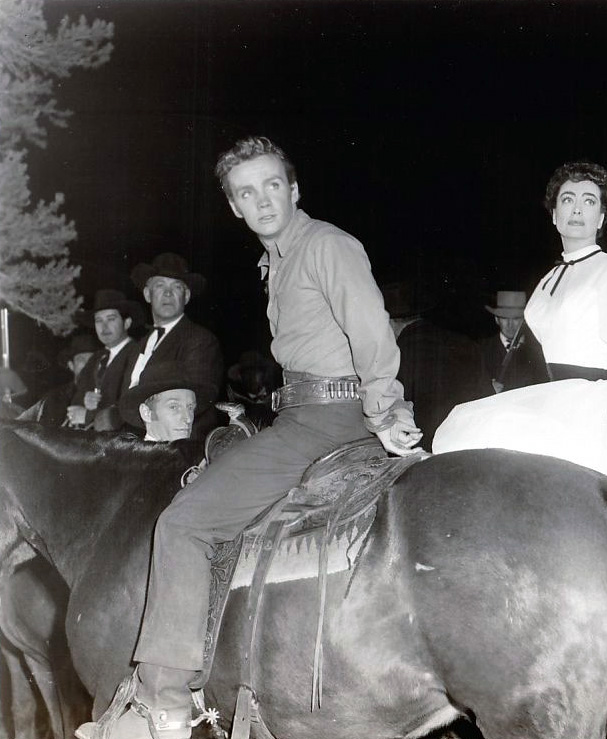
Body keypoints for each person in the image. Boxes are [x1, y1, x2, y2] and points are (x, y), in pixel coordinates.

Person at [77, 135, 421, 739]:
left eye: (271, 185)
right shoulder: (280, 258)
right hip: (304, 410)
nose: (261, 200)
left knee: (184, 523)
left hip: (325, 419)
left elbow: (372, 335)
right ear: (235, 207)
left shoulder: (327, 246)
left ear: (294, 189)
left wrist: (387, 409)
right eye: (245, 192)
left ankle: (164, 705)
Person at [433, 160, 607, 530]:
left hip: (597, 404)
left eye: (589, 201)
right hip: (554, 399)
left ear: (602, 217)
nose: (577, 209)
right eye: (568, 200)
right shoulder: (549, 279)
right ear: (554, 215)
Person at [126, 252, 224, 439]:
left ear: (186, 296)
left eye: (176, 287)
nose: (168, 293)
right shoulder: (138, 346)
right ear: (147, 294)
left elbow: (194, 408)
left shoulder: (200, 340)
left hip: (180, 447)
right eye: (160, 285)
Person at [381, 280, 484, 451]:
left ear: (390, 323)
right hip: (471, 447)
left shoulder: (395, 356)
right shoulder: (466, 343)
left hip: (423, 458)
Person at [65, 289, 143, 430]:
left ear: (127, 323)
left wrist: (90, 415)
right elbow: (77, 399)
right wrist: (84, 400)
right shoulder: (96, 357)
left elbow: (131, 407)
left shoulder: (138, 355)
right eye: (98, 320)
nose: (104, 327)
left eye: (111, 319)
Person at [118, 360, 212, 442]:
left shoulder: (199, 459)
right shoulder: (132, 461)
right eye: (174, 407)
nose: (188, 418)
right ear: (146, 413)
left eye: (190, 408)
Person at [17, 333, 99, 426]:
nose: (88, 364)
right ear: (71, 365)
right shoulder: (55, 398)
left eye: (93, 359)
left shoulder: (107, 394)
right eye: (81, 359)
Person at [479, 290, 548, 394]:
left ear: (523, 321)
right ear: (497, 319)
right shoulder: (481, 349)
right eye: (505, 318)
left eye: (515, 318)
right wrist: (488, 389)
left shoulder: (540, 349)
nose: (510, 325)